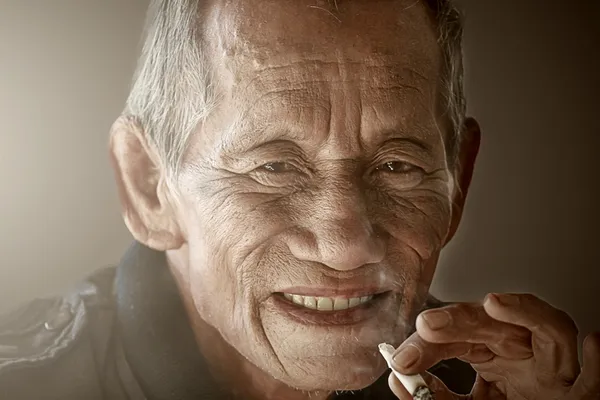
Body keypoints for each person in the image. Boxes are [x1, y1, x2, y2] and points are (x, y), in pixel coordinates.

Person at [1, 0, 598, 399]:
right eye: (275, 167)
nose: (345, 247)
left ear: (457, 180)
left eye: (397, 166)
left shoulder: (507, 385)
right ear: (149, 185)